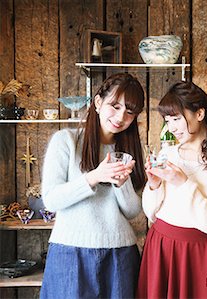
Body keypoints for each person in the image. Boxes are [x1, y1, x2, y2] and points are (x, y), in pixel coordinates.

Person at [40, 73, 146, 299]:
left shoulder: (128, 152)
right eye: (115, 106)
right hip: (70, 252)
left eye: (129, 112)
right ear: (98, 102)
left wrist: (121, 185)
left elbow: (132, 211)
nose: (120, 117)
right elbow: (51, 200)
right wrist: (93, 177)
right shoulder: (66, 140)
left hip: (120, 252)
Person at [137, 81, 207, 299]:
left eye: (176, 118)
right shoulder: (168, 154)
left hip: (199, 253)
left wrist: (183, 183)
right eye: (167, 121)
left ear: (200, 113)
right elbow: (152, 213)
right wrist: (154, 184)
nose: (171, 127)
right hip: (161, 246)